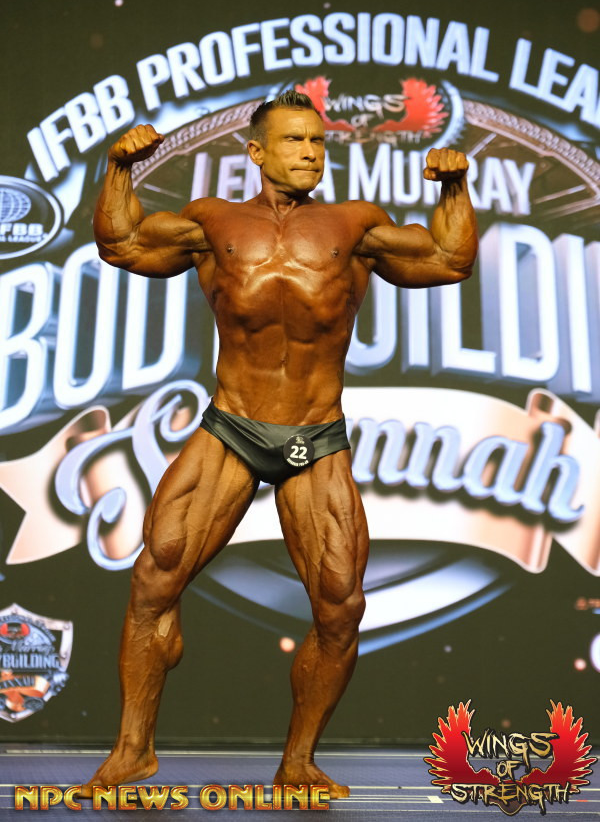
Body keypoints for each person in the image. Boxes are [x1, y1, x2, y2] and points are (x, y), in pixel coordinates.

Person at [82, 90, 478, 799]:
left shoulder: (354, 225)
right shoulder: (213, 222)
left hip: (314, 436)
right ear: (257, 152)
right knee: (154, 578)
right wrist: (117, 169)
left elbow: (450, 260)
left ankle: (298, 761)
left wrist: (454, 187)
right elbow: (122, 244)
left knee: (340, 606)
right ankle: (132, 751)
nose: (310, 153)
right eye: (295, 141)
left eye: (318, 142)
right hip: (233, 426)